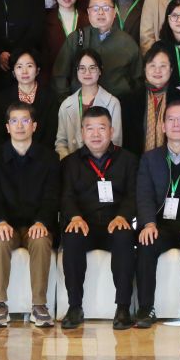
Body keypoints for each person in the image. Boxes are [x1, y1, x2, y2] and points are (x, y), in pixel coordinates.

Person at [128, 100, 180, 329]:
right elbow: (144, 196)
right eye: (171, 120)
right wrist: (148, 223)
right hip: (160, 224)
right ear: (163, 126)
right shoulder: (149, 159)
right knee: (146, 243)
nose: (176, 124)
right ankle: (145, 308)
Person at [58, 106, 136, 329]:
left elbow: (134, 194)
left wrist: (122, 216)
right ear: (82, 132)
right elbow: (65, 196)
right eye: (89, 128)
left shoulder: (128, 160)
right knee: (72, 238)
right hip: (84, 224)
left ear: (111, 131)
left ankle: (123, 308)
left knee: (124, 237)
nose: (95, 134)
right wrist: (74, 217)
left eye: (101, 128)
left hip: (115, 223)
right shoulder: (70, 163)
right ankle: (75, 307)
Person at [0, 102, 59, 328]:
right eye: (14, 121)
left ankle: (39, 305)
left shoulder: (49, 158)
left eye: (25, 120)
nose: (20, 126)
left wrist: (42, 221)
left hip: (36, 223)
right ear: (7, 127)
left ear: (34, 126)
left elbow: (52, 196)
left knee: (41, 240)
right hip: (8, 224)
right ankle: (0, 304)